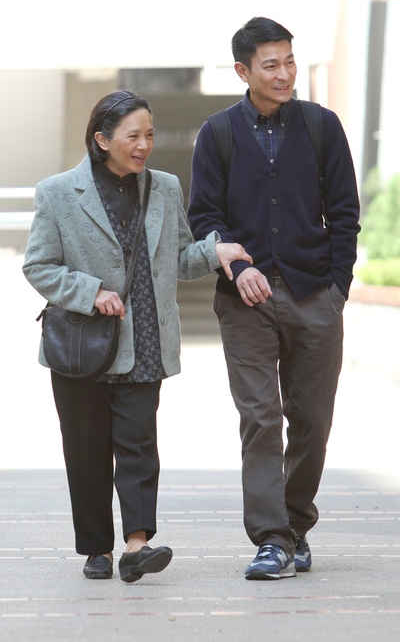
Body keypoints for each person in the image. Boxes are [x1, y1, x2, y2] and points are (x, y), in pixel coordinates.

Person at [23, 90, 252, 583]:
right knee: (86, 450)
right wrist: (90, 292)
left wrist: (215, 253)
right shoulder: (58, 192)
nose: (145, 144)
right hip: (82, 343)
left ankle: (136, 544)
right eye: (134, 136)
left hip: (146, 338)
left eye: (150, 134)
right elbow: (38, 266)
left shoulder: (165, 188)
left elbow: (180, 258)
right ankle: (96, 549)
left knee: (139, 446)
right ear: (102, 139)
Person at [188, 17, 360, 580]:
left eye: (289, 61)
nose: (284, 74)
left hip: (315, 293)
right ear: (243, 71)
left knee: (311, 419)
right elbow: (204, 219)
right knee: (260, 419)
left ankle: (295, 525)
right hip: (245, 302)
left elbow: (344, 212)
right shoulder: (216, 133)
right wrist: (238, 267)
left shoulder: (321, 126)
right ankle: (271, 539)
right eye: (271, 65)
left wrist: (337, 289)